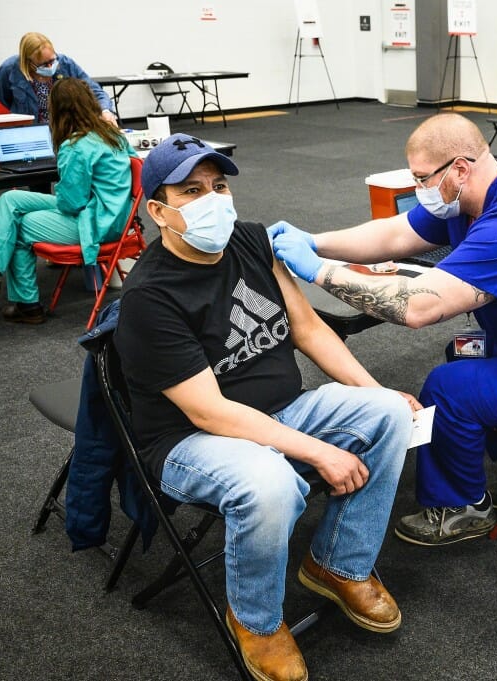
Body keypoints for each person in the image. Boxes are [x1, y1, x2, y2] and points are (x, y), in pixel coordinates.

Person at [115, 134, 416, 681]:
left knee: (389, 414)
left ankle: (336, 565)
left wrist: (379, 391)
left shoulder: (249, 241)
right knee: (269, 482)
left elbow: (307, 328)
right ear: (159, 211)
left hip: (282, 411)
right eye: (192, 190)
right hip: (191, 441)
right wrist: (319, 452)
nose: (214, 199)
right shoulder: (149, 296)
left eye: (219, 185)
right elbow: (210, 413)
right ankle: (255, 620)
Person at [269, 113, 497, 547]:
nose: (418, 191)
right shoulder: (481, 190)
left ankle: (462, 508)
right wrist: (314, 239)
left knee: (448, 387)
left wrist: (319, 271)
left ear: (459, 169)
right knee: (463, 352)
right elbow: (395, 235)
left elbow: (418, 307)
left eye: (421, 178)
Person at [0, 78, 134, 324]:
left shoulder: (75, 145)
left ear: (58, 111)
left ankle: (27, 304)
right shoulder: (113, 136)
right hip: (117, 216)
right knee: (11, 199)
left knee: (20, 225)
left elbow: (71, 203)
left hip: (95, 223)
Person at [0, 32, 118, 125]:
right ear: (28, 62)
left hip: (66, 128)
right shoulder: (9, 69)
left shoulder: (66, 64)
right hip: (31, 130)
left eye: (52, 60)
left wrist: (105, 111)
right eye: (43, 64)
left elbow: (95, 91)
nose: (50, 66)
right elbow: (3, 96)